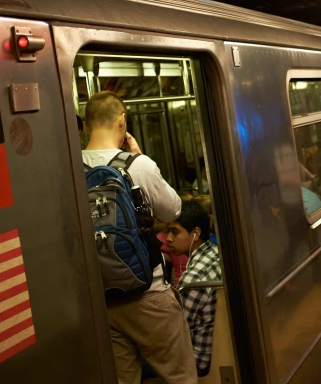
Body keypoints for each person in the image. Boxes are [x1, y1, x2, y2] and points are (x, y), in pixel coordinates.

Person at [82, 91, 197, 383]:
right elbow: (173, 209)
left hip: (101, 301)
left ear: (85, 126)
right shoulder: (137, 165)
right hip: (149, 294)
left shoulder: (69, 168)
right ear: (123, 122)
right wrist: (140, 156)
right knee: (180, 376)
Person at [166, 201, 223, 378]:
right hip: (213, 347)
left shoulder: (192, 279)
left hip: (198, 360)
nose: (168, 238)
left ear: (195, 233)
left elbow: (176, 334)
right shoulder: (215, 252)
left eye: (175, 232)